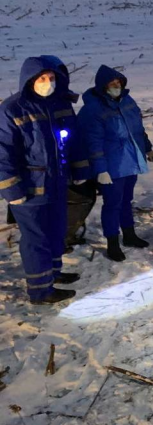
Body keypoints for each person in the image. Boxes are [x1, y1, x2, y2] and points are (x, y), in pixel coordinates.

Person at [0, 56, 91, 304]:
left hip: (57, 183)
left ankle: (53, 274)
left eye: (51, 78)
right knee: (36, 239)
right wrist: (12, 190)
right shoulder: (12, 110)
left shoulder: (59, 105)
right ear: (30, 80)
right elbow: (3, 155)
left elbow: (75, 142)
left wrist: (80, 170)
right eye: (42, 79)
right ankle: (40, 290)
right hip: (29, 190)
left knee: (56, 231)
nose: (47, 83)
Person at [78, 65, 153, 262]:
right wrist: (101, 170)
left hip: (130, 160)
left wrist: (146, 147)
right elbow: (93, 142)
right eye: (112, 84)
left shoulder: (127, 101)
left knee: (126, 200)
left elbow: (138, 128)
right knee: (112, 204)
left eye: (119, 83)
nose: (116, 86)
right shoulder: (94, 109)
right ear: (102, 86)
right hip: (111, 166)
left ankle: (129, 234)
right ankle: (112, 242)